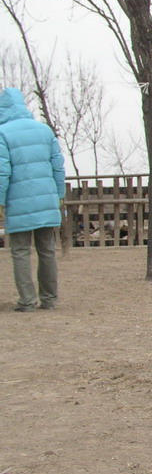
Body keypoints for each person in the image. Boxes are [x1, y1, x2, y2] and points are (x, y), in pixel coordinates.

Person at [0, 88, 65, 312]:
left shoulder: (3, 133)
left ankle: (27, 301)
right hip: (47, 200)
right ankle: (49, 299)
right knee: (47, 250)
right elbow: (58, 166)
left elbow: (2, 172)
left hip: (19, 202)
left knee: (21, 252)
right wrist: (59, 196)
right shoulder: (44, 130)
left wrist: (0, 201)